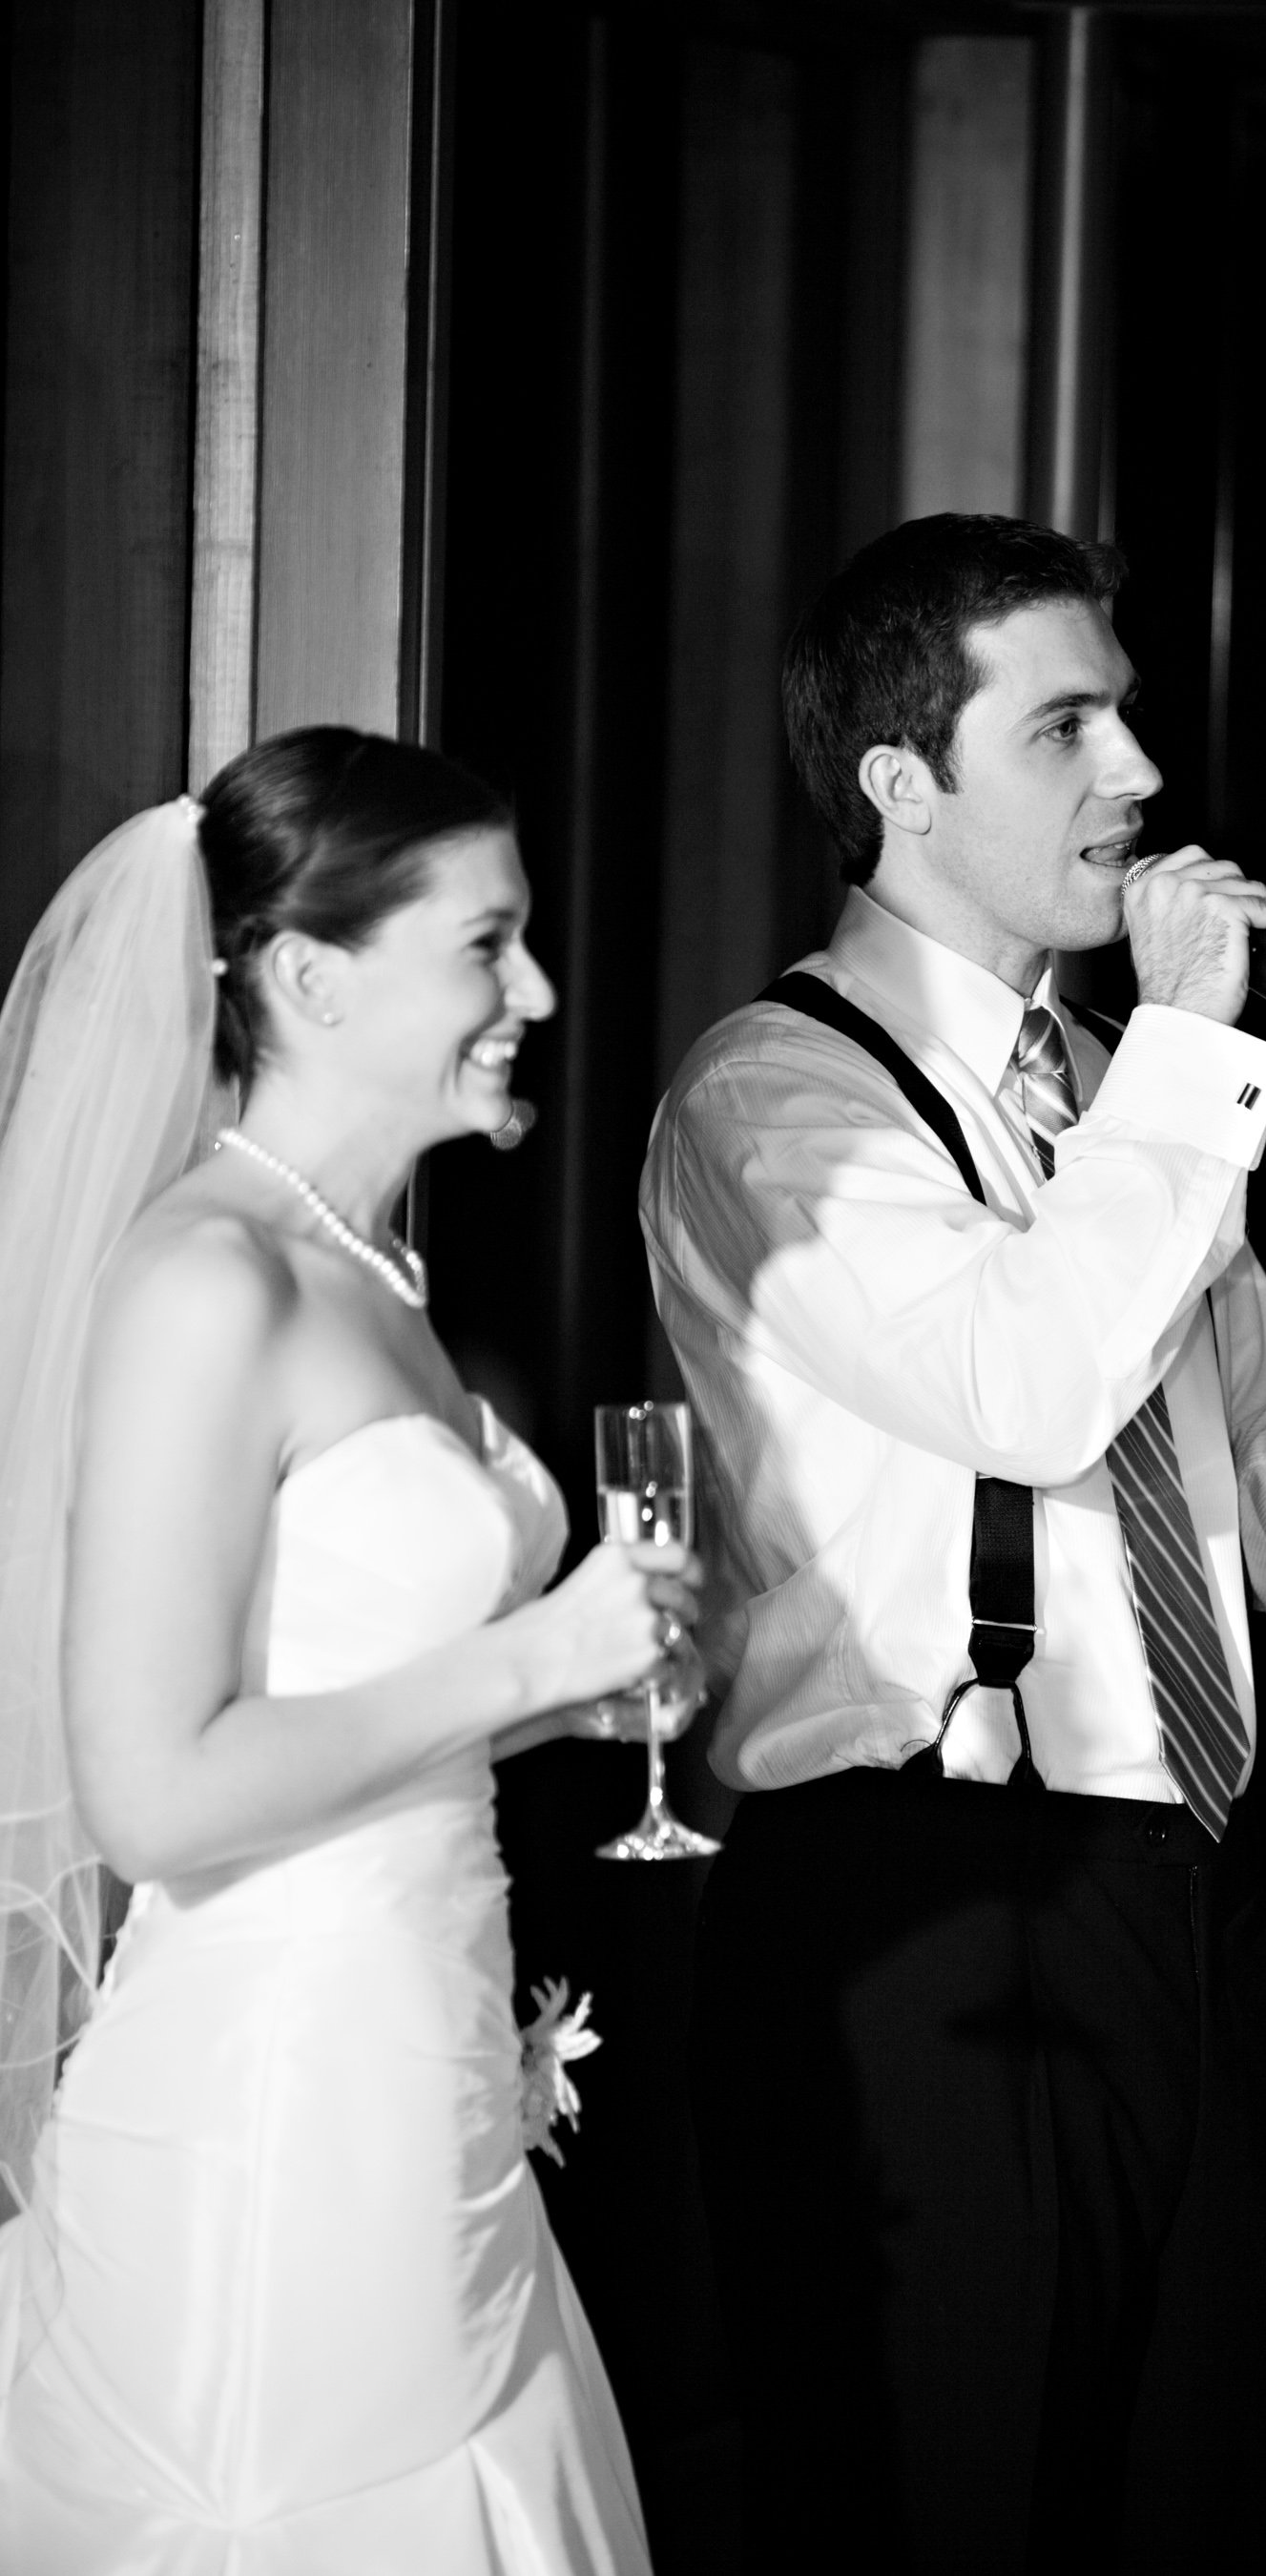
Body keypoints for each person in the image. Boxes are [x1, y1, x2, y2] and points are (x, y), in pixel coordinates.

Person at [640, 513, 1266, 2573]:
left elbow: (1262, 1538)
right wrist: (1190, 1052)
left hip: (1191, 1902)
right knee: (944, 2518)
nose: (1140, 774)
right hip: (925, 1909)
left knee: (1219, 2496)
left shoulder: (1118, 1094)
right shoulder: (773, 1106)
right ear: (903, 782)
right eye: (1065, 724)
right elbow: (1029, 1392)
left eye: (1126, 716)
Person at [0, 730, 700, 2572]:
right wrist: (533, 1663)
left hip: (427, 2044)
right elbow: (152, 1792)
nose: (534, 993)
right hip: (280, 2095)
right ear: (309, 977)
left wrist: (592, 1688)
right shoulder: (203, 1278)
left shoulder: (368, 1268)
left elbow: (361, 1696)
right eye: (486, 946)